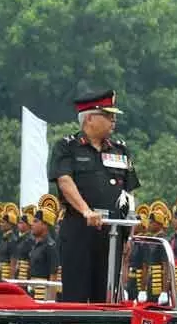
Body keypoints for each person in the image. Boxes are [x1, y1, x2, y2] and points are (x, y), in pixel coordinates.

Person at [49, 89, 139, 303]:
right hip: (80, 229)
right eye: (108, 115)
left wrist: (129, 232)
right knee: (76, 297)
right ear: (89, 117)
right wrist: (85, 210)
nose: (113, 120)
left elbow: (129, 192)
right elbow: (64, 180)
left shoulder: (121, 150)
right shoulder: (67, 147)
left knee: (107, 298)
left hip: (113, 232)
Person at [27, 195, 61, 301]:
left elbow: (53, 276)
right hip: (32, 291)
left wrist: (50, 302)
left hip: (42, 295)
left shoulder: (50, 246)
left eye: (36, 221)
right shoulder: (36, 245)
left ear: (45, 225)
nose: (32, 224)